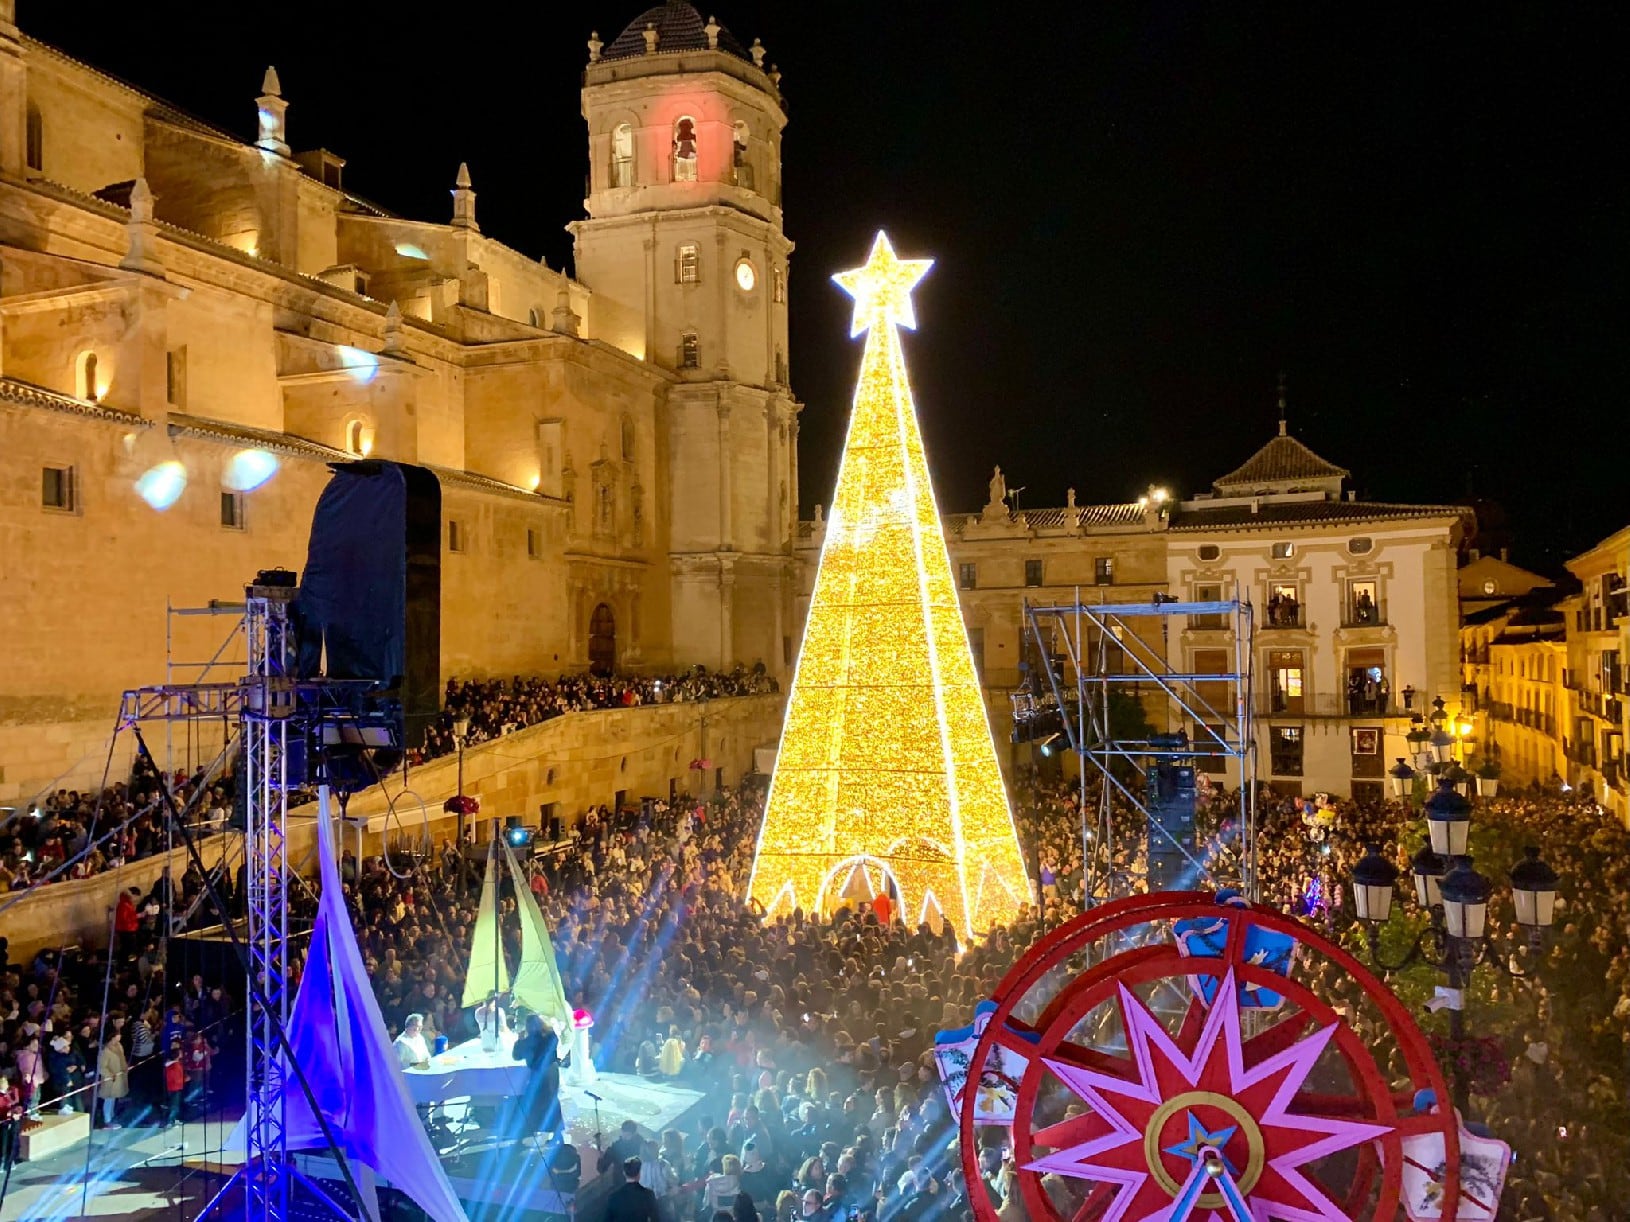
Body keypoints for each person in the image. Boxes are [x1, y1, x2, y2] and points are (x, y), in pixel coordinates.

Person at [513, 1013, 562, 1139]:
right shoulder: (550, 1036)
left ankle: (538, 1128)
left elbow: (516, 1055)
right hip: (551, 1071)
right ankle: (554, 1128)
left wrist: (519, 1039)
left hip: (538, 1073)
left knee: (539, 1101)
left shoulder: (528, 1041)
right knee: (551, 1099)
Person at [601, 1156, 661, 1222]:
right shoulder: (648, 1194)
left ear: (624, 1173)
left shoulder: (613, 1197)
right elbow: (656, 1219)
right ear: (639, 1173)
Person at [97, 1032, 129, 1128]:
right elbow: (101, 1067)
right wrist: (109, 1075)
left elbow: (122, 1059)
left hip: (118, 1078)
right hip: (110, 1080)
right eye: (118, 1035)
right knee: (108, 1100)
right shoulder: (105, 1051)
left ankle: (111, 1117)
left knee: (113, 1099)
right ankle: (107, 1120)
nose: (120, 1036)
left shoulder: (119, 1046)